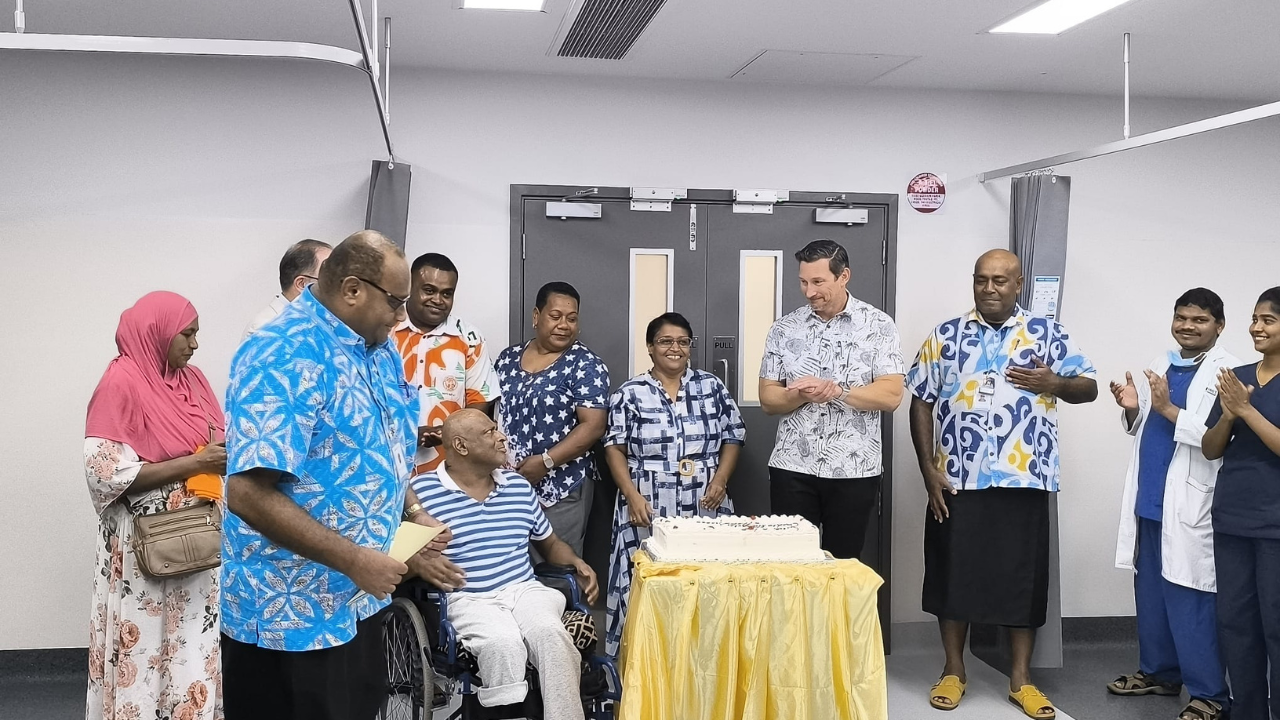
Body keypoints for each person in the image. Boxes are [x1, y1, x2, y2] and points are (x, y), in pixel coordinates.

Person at [220, 230, 453, 720]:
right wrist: (353, 559)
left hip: (355, 600)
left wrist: (414, 511)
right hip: (291, 613)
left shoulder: (377, 348)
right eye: (396, 301)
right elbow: (246, 492)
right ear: (352, 289)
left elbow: (384, 446)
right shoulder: (283, 354)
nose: (402, 317)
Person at [906, 249, 1097, 719]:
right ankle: (953, 670)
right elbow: (921, 401)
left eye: (999, 281)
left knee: (1022, 579)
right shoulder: (945, 336)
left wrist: (1054, 381)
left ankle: (1021, 679)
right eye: (981, 280)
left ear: (1019, 284)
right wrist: (929, 469)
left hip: (1024, 478)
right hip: (958, 478)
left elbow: (1088, 387)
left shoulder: (1046, 334)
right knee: (953, 573)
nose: (989, 288)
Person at [83, 291, 227, 720]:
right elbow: (105, 473)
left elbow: (215, 437)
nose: (195, 344)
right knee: (141, 645)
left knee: (191, 642)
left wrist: (213, 457)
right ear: (157, 332)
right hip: (142, 544)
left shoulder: (194, 381)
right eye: (187, 333)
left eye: (196, 334)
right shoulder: (121, 382)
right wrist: (196, 462)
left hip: (196, 535)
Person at [410, 409, 598, 720]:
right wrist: (420, 563)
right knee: (502, 641)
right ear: (460, 445)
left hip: (523, 590)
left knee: (551, 634)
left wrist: (577, 562)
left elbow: (549, 544)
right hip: (466, 597)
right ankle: (508, 713)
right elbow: (399, 558)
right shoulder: (422, 495)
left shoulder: (517, 486)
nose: (502, 437)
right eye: (489, 432)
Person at [1108, 289, 1236, 720]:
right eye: (1181, 317)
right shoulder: (1163, 363)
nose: (1187, 326)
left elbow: (1215, 438)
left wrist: (1164, 407)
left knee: (1191, 596)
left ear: (1219, 325)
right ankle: (1160, 674)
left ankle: (1209, 694)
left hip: (1189, 505)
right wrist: (1134, 409)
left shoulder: (1227, 373)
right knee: (1152, 596)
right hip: (1150, 501)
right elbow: (1151, 425)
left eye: (1199, 320)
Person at [602, 312, 746, 657]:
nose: (675, 348)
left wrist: (721, 479)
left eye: (683, 341)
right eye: (666, 341)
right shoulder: (630, 393)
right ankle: (646, 658)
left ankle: (705, 657)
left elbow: (734, 435)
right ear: (650, 347)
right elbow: (614, 448)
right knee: (648, 581)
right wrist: (631, 495)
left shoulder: (711, 386)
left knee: (707, 580)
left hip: (705, 499)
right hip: (647, 503)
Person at [759, 239, 905, 560]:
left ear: (844, 277)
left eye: (818, 282)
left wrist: (839, 392)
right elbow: (769, 399)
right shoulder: (784, 329)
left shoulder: (878, 325)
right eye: (803, 282)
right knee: (791, 565)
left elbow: (892, 395)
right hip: (792, 468)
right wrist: (798, 394)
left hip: (854, 470)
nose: (809, 292)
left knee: (842, 565)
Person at [1202, 286, 1280, 720]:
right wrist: (1230, 414)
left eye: (1268, 320)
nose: (1256, 327)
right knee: (1235, 624)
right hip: (1232, 520)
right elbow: (1213, 448)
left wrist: (1247, 412)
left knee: (1276, 626)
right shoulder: (1237, 376)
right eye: (1254, 318)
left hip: (1275, 525)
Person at [494, 281, 609, 557]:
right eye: (555, 316)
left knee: (557, 567)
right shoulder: (507, 359)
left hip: (561, 486)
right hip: (508, 485)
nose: (564, 325)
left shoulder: (586, 364)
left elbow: (593, 426)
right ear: (536, 316)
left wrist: (546, 462)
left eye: (572, 318)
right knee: (511, 562)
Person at [393, 252, 500, 476]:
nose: (438, 300)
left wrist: (447, 432)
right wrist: (410, 433)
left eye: (447, 294)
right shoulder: (385, 329)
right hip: (386, 462)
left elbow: (478, 402)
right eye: (429, 290)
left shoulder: (470, 338)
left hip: (446, 470)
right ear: (410, 287)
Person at [242, 239, 332, 339]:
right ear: (302, 284)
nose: (338, 286)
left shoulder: (318, 320)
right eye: (329, 278)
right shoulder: (265, 329)